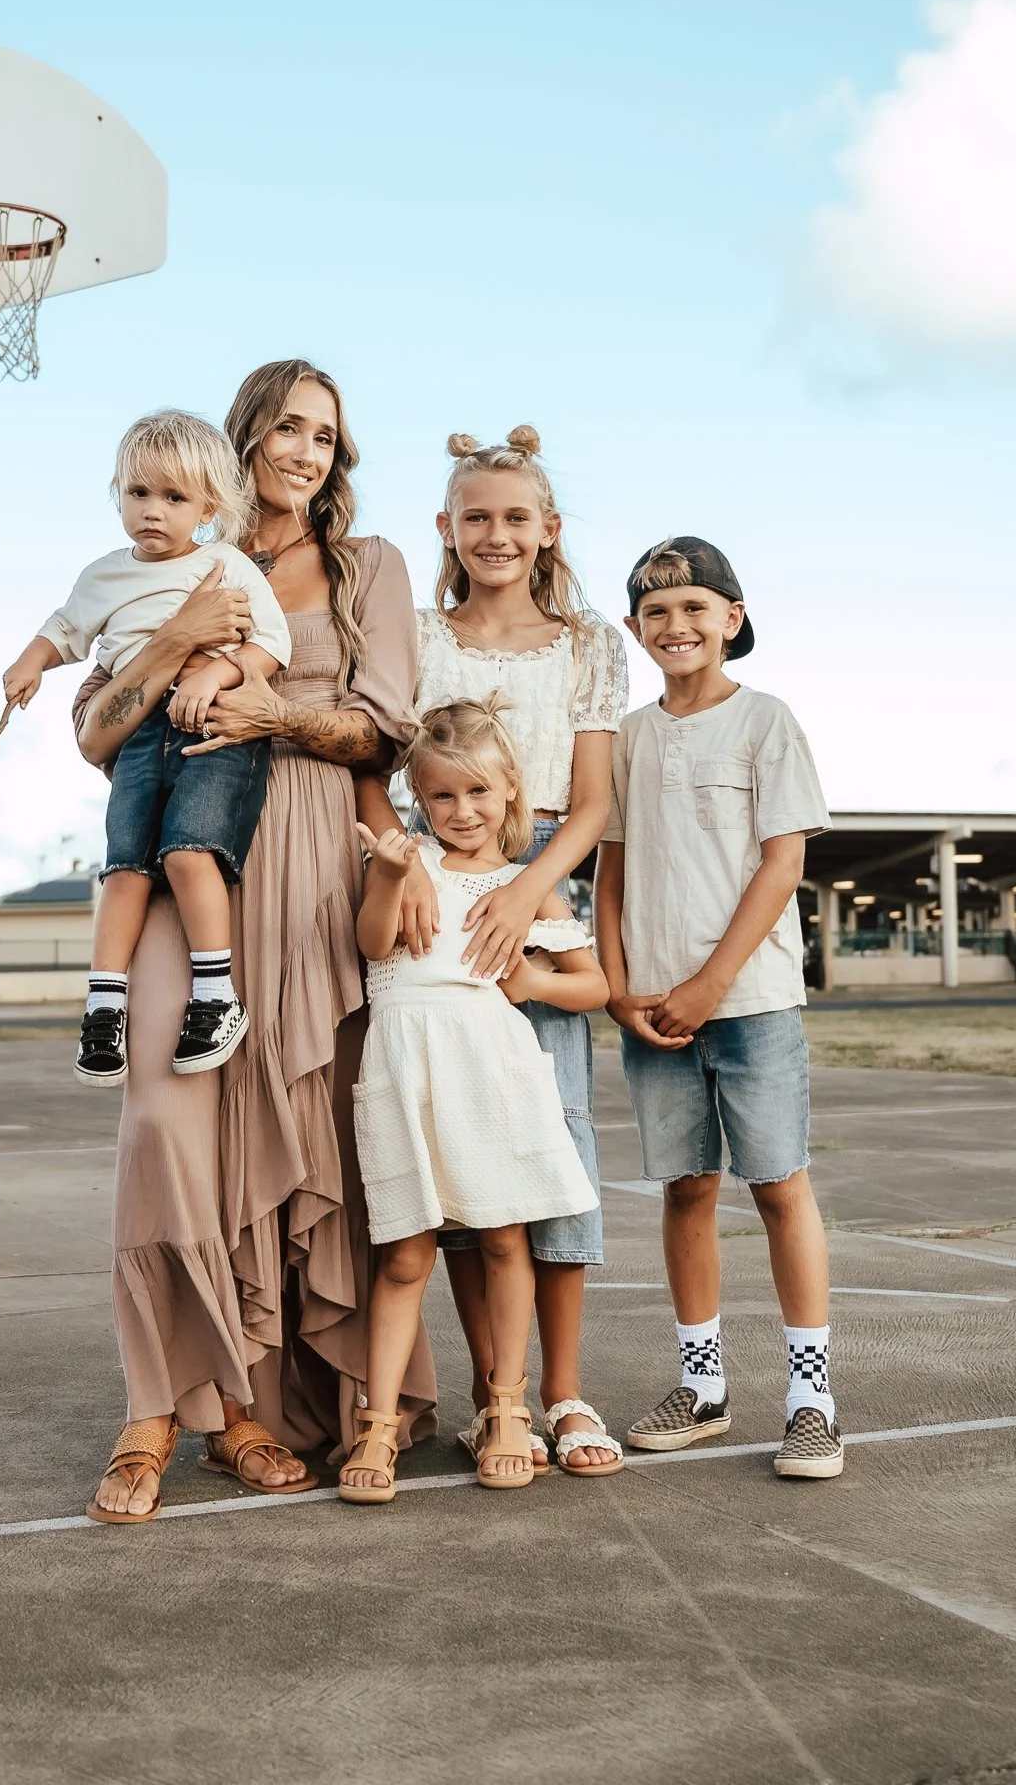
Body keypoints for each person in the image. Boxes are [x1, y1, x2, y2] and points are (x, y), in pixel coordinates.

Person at [74, 360, 435, 1524]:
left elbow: (383, 727)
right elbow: (94, 736)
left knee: (311, 1136)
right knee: (163, 1122)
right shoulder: (163, 553)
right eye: (286, 425)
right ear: (242, 438)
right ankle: (152, 1410)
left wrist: (274, 710)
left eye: (326, 434)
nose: (305, 449)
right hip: (189, 866)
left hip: (317, 871)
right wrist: (172, 635)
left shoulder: (366, 566)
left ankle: (257, 1416)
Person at [357, 426, 627, 1475]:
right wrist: (413, 865)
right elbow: (385, 767)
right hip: (438, 883)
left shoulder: (585, 640)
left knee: (546, 1150)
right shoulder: (421, 635)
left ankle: (557, 1392)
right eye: (476, 516)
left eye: (516, 516)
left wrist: (523, 890)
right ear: (446, 528)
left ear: (547, 529)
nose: (496, 534)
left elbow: (593, 798)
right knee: (457, 1168)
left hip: (536, 872)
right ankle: (490, 1396)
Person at [596, 537, 843, 1480]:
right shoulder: (625, 735)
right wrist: (617, 985)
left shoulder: (764, 722)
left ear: (731, 620)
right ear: (634, 629)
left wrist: (709, 985)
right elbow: (609, 869)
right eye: (656, 612)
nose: (676, 625)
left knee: (778, 1188)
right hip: (652, 1009)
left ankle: (810, 1401)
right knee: (686, 1189)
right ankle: (702, 1389)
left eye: (695, 608)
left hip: (750, 1003)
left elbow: (782, 862)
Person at [339, 698, 608, 1503]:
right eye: (444, 796)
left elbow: (591, 985)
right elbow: (371, 944)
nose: (462, 812)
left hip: (492, 1073)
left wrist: (530, 980)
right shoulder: (403, 862)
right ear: (419, 796)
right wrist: (390, 874)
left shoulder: (521, 890)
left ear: (509, 791)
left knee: (502, 1243)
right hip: (406, 1072)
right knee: (405, 1255)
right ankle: (378, 1425)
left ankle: (505, 1408)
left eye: (478, 793)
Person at [4, 411, 292, 1084]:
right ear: (117, 492)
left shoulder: (226, 566)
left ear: (208, 506)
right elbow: (65, 629)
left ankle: (216, 997)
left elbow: (271, 644)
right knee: (124, 867)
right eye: (138, 494)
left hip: (211, 725)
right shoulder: (103, 574)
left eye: (173, 498)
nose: (152, 512)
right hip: (136, 735)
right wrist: (29, 663)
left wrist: (216, 670)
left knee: (190, 852)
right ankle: (104, 1004)